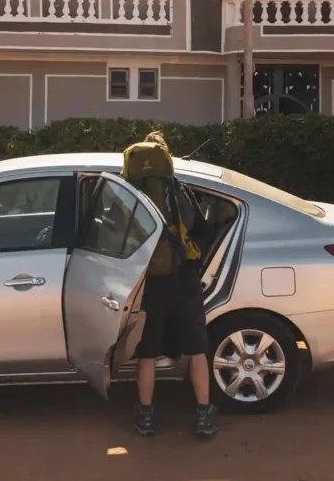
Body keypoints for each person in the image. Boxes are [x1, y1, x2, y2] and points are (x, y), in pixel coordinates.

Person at [123, 131, 218, 439]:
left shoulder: (128, 192)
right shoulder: (180, 191)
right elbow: (200, 229)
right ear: (167, 158)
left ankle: (147, 415)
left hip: (148, 282)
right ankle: (204, 413)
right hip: (184, 279)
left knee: (147, 352)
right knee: (196, 349)